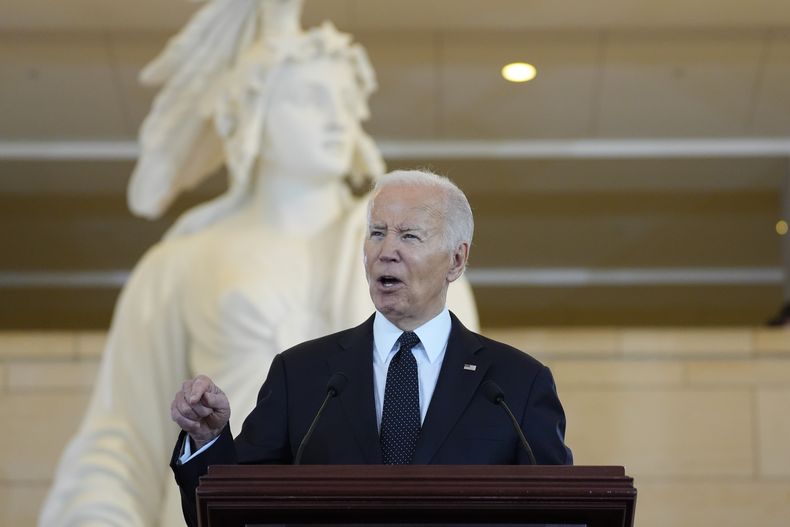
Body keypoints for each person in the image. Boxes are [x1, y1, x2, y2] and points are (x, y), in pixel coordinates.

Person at [40, 2, 479, 526]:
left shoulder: (419, 260)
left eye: (347, 99)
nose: (339, 116)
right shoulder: (182, 263)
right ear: (252, 111)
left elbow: (462, 420)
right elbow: (120, 439)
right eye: (311, 98)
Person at [170, 170, 573, 527]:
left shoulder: (516, 385)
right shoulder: (302, 373)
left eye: (409, 236)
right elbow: (235, 508)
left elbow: (558, 514)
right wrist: (208, 441)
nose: (386, 251)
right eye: (377, 233)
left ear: (455, 260)